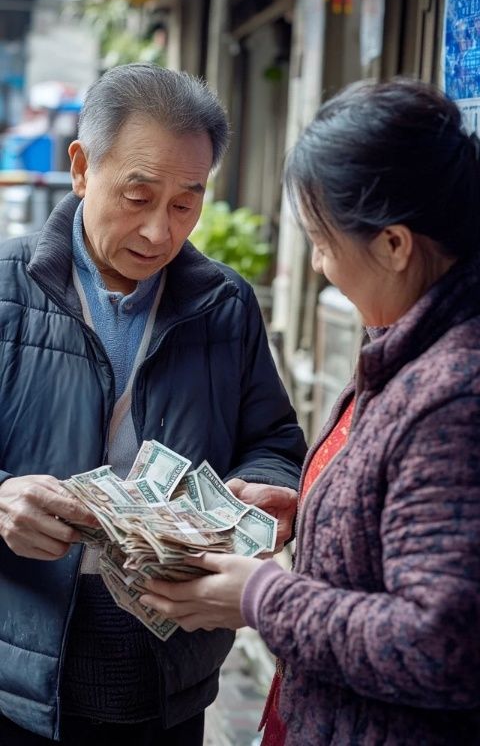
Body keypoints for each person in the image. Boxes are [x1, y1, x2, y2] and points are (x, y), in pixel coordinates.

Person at [139, 78, 480, 745]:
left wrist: (261, 597)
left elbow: (441, 644)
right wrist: (310, 510)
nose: (321, 266)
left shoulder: (454, 394)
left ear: (394, 245)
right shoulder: (414, 343)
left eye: (323, 242)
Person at [0, 64, 306, 745]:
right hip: (15, 670)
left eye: (185, 203)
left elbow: (276, 440)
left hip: (169, 668)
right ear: (81, 168)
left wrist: (266, 492)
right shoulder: (5, 290)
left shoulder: (224, 305)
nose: (159, 233)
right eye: (137, 196)